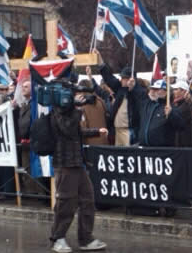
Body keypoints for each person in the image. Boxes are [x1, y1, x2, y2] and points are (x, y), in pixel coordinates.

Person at [49, 93, 108, 252]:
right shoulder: (57, 111)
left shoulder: (71, 112)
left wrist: (96, 131)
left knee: (88, 199)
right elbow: (67, 129)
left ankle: (86, 238)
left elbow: (77, 133)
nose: (81, 100)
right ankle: (57, 238)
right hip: (65, 164)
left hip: (77, 163)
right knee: (66, 203)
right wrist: (77, 109)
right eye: (77, 97)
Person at [127, 78, 183, 147]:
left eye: (156, 89)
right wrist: (134, 86)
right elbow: (138, 93)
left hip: (162, 151)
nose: (152, 91)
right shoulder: (146, 104)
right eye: (152, 89)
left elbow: (181, 126)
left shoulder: (171, 108)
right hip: (144, 148)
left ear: (166, 92)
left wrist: (171, 114)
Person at [97, 57, 138, 146]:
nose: (121, 79)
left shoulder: (138, 92)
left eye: (123, 78)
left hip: (129, 130)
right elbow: (109, 78)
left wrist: (134, 88)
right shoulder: (120, 88)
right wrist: (100, 61)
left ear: (130, 79)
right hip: (117, 129)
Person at [77, 79, 109, 145]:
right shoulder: (100, 101)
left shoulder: (81, 104)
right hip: (104, 141)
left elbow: (82, 128)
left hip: (91, 146)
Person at [171, 80, 192, 147]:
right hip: (177, 142)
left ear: (183, 91)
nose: (173, 91)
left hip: (183, 144)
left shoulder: (186, 106)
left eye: (176, 89)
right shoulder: (176, 104)